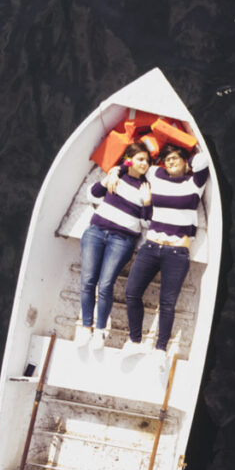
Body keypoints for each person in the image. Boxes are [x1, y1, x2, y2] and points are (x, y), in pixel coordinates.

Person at [122, 143, 209, 368]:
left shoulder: (194, 183)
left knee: (167, 303)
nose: (170, 162)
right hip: (151, 246)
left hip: (177, 252)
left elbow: (202, 161)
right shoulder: (155, 175)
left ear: (184, 162)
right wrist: (116, 171)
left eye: (175, 159)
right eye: (167, 159)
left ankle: (161, 348)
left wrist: (189, 159)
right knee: (131, 293)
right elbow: (132, 163)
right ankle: (135, 340)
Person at [75, 142, 152, 349]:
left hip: (122, 240)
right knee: (88, 280)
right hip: (96, 233)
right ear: (130, 159)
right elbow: (92, 195)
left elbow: (146, 223)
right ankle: (85, 327)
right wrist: (108, 178)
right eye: (140, 159)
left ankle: (99, 331)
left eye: (147, 161)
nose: (145, 164)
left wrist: (146, 203)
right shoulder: (117, 174)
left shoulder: (146, 187)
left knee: (106, 284)